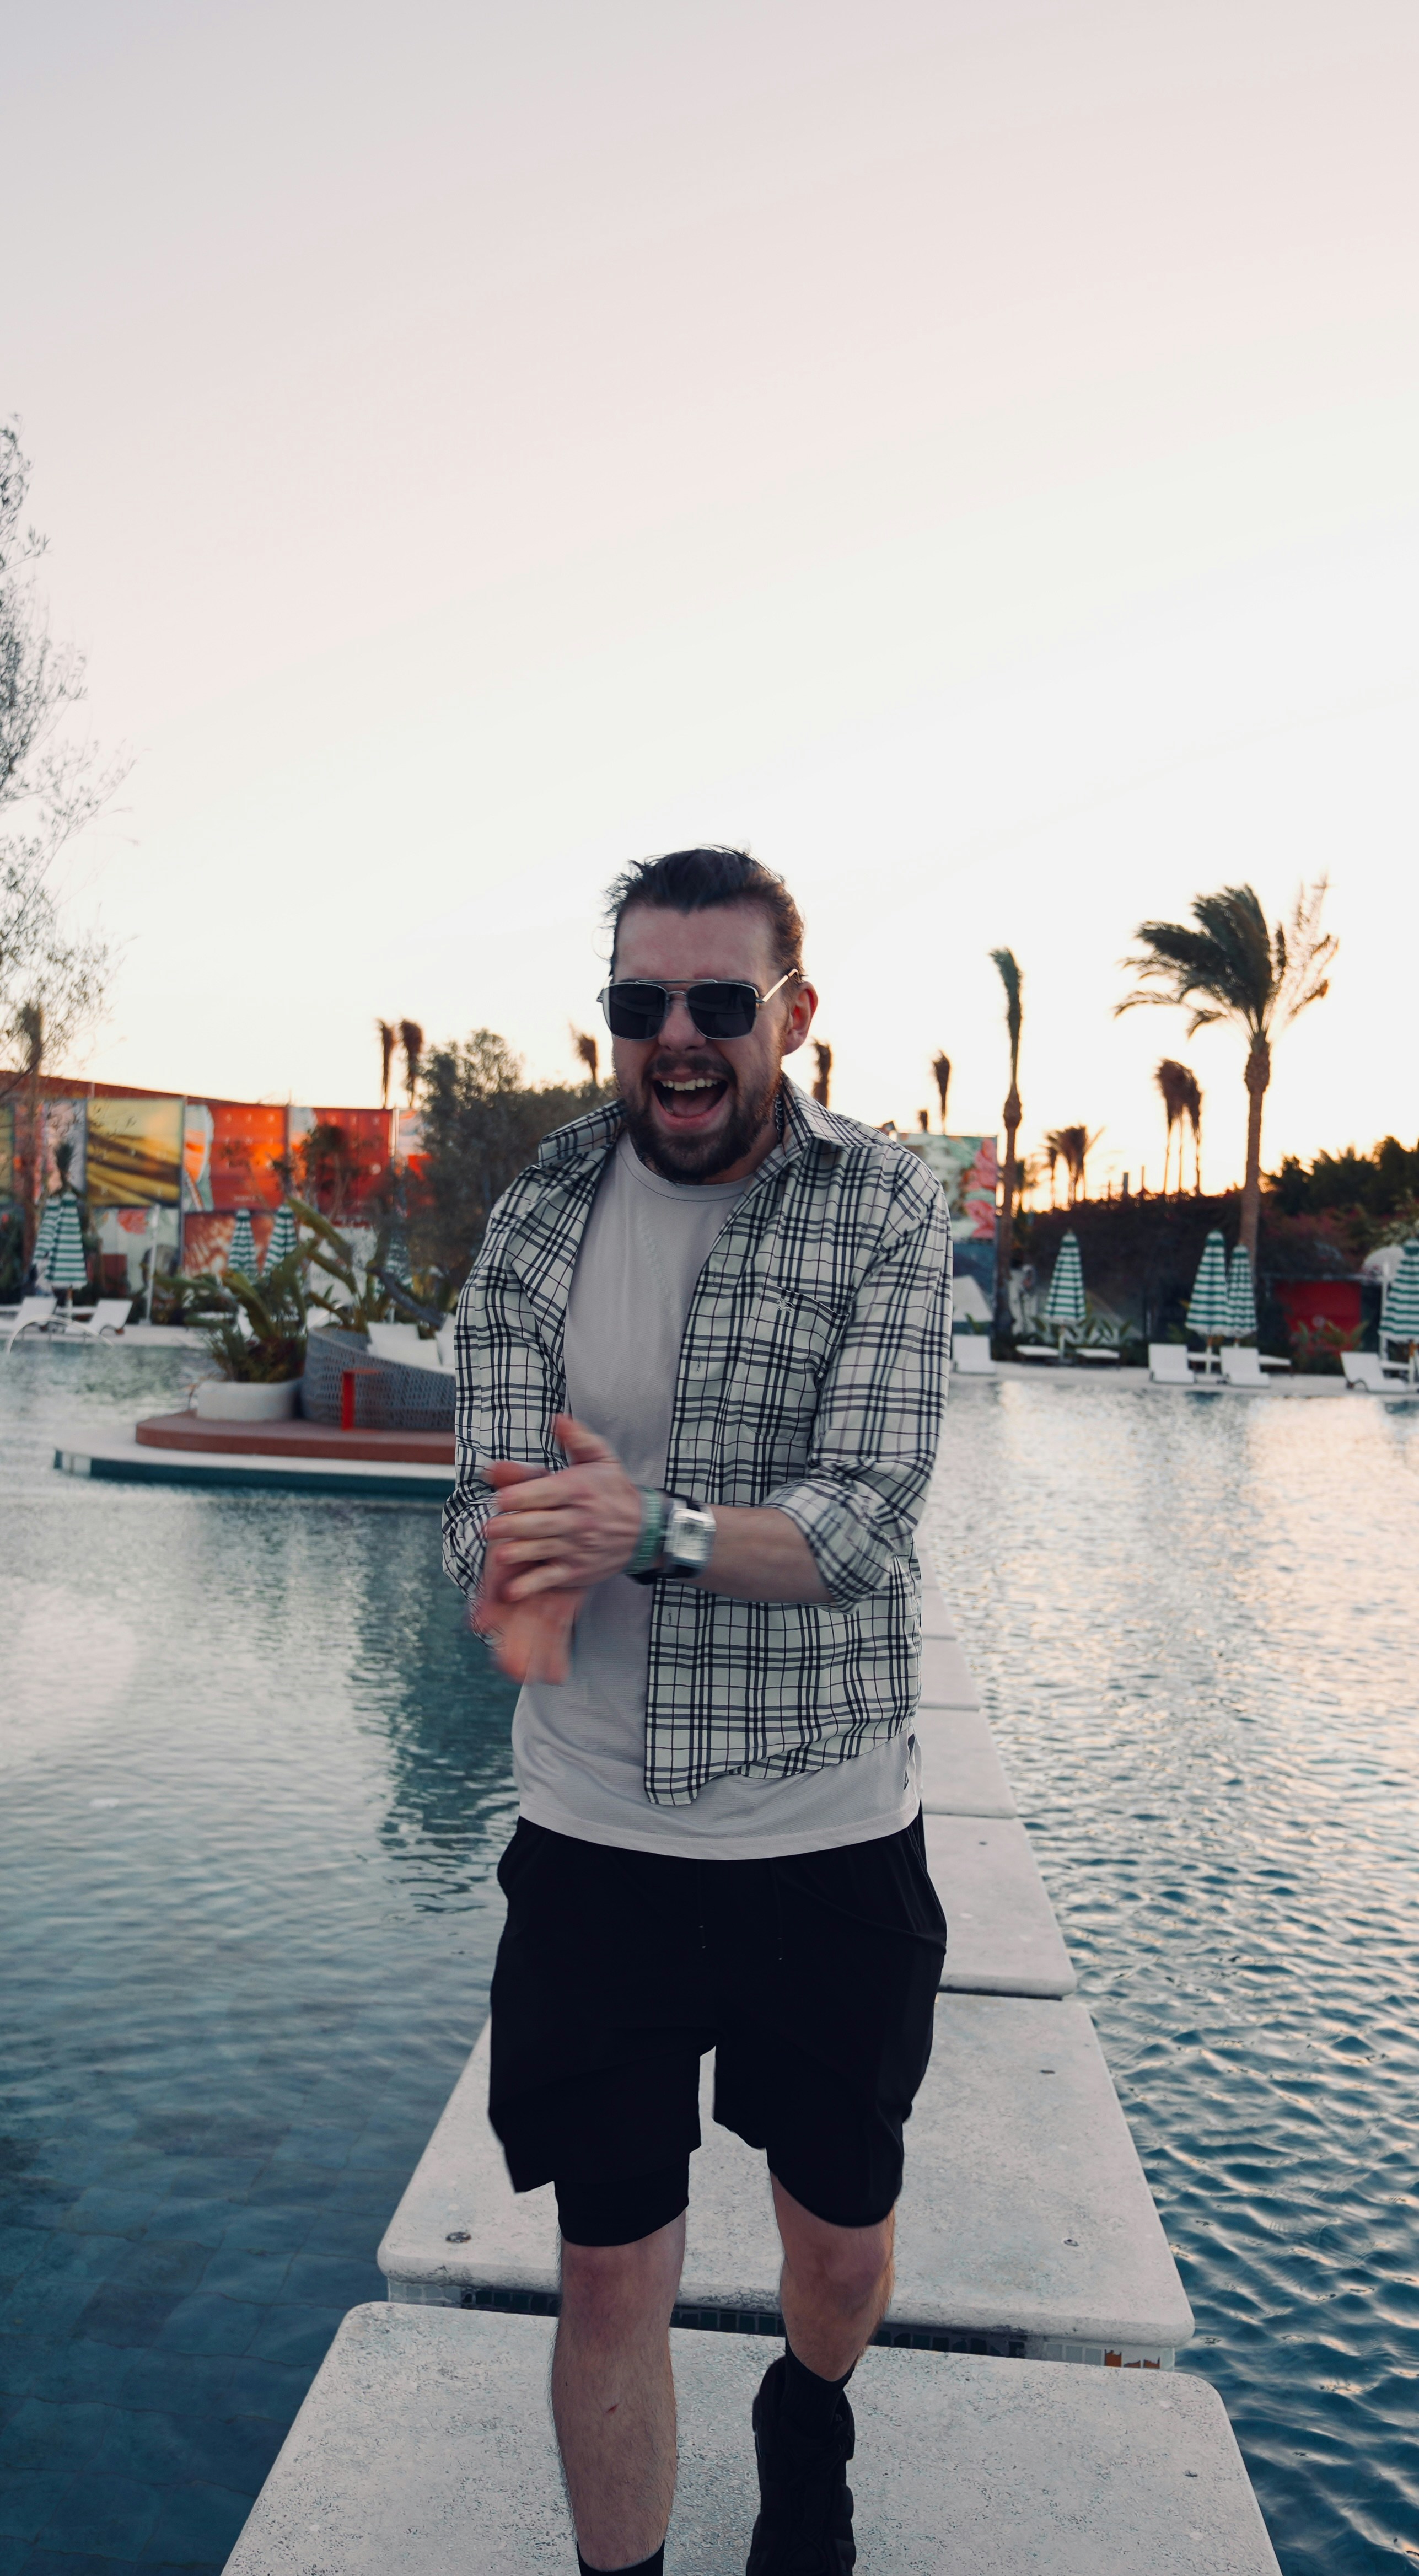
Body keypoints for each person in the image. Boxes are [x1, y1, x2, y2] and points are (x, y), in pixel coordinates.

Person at [444, 846, 950, 2576]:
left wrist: (636, 1528)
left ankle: (807, 2413)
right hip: (596, 1839)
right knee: (608, 2265)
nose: (675, 1035)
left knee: (841, 2248)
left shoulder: (883, 1206)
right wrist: (514, 1560)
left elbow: (867, 1522)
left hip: (825, 1826)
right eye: (637, 1002)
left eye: (717, 1004)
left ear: (790, 1016)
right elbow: (478, 1497)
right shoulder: (537, 1213)